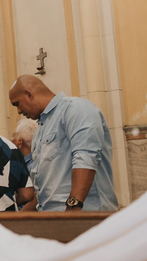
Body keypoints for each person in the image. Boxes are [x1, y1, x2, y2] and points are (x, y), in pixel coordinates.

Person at [8, 75, 119, 212]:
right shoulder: (40, 129)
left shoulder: (77, 109)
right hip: (55, 219)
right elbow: (45, 193)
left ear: (29, 94)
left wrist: (72, 210)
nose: (18, 111)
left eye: (17, 104)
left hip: (86, 217)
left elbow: (86, 159)